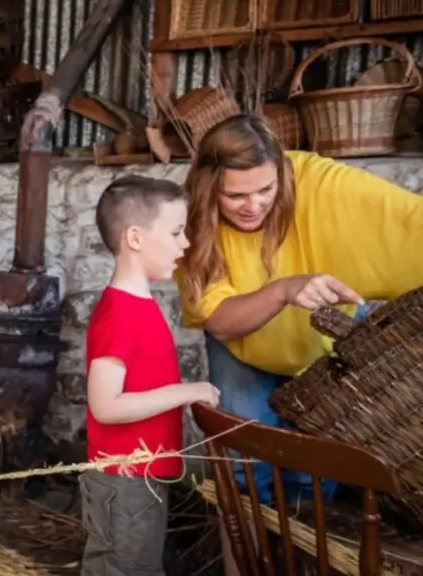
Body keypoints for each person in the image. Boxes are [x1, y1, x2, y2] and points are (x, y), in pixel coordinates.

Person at [175, 113, 423, 573]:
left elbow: (408, 221)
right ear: (210, 188)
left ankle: (302, 563)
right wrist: (283, 290)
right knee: (245, 475)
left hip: (321, 354)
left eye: (265, 190)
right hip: (244, 351)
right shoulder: (191, 222)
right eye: (235, 195)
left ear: (282, 174)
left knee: (313, 481)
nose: (253, 206)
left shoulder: (319, 181)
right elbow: (222, 321)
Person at [80, 175, 221, 576]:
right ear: (136, 238)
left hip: (139, 476)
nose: (186, 243)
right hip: (123, 479)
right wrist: (184, 391)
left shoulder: (139, 304)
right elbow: (105, 406)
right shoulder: (121, 313)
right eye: (176, 232)